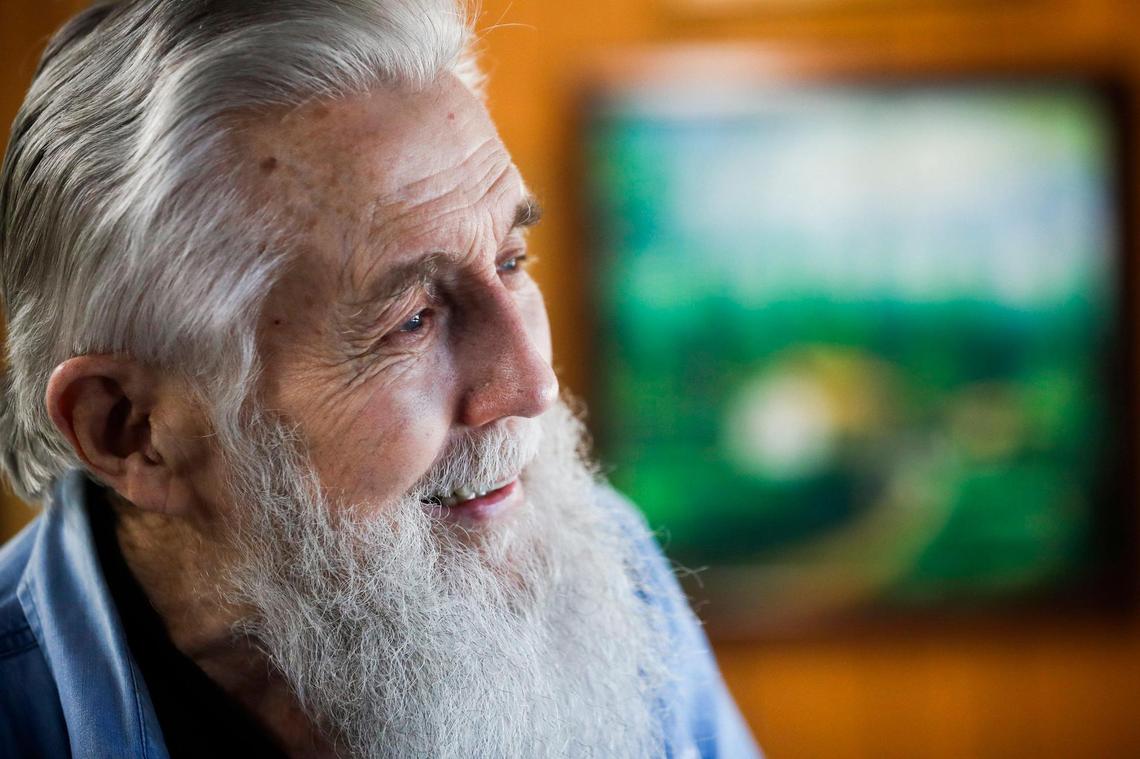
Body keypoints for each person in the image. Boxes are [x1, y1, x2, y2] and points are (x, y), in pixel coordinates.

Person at [0, 1, 761, 756]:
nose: (532, 385)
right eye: (412, 318)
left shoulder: (605, 577)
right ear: (130, 426)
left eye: (510, 261)